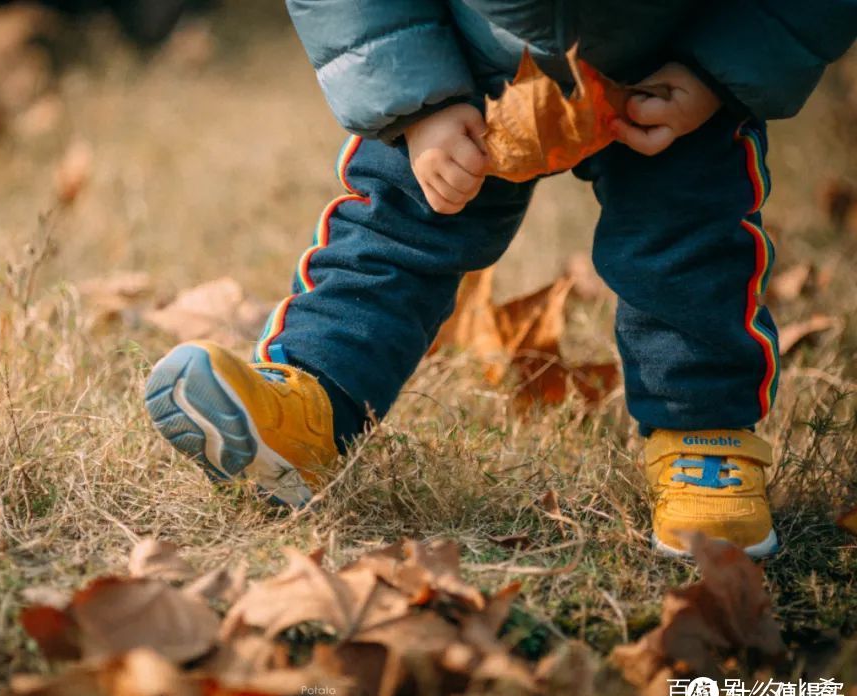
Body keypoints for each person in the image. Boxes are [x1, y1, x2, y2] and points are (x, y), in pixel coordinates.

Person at [144, 1, 856, 557]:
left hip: (677, 54)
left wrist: (720, 66)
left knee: (690, 239)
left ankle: (705, 438)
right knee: (397, 226)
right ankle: (311, 409)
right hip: (462, 53)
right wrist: (418, 96)